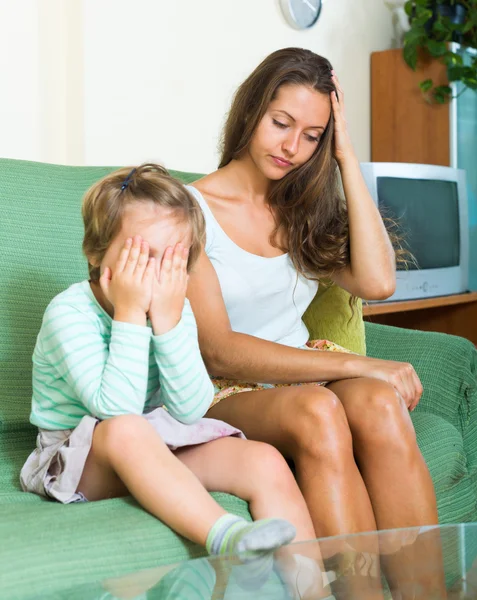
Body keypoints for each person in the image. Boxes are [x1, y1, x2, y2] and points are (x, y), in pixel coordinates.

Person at [19, 164, 325, 582]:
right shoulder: (69, 313)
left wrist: (168, 323)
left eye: (172, 261)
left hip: (156, 441)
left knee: (263, 460)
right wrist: (129, 313)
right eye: (140, 256)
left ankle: (312, 590)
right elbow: (116, 410)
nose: (156, 275)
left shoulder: (172, 307)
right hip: (76, 455)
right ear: (97, 253)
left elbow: (190, 408)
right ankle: (227, 536)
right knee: (124, 430)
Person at [186, 47, 440, 540]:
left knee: (380, 403)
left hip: (302, 373)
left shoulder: (300, 209)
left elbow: (377, 284)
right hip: (219, 390)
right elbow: (217, 350)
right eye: (281, 123)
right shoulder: (189, 210)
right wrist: (356, 363)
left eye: (312, 136)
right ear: (252, 110)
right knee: (319, 409)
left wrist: (345, 156)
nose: (291, 147)